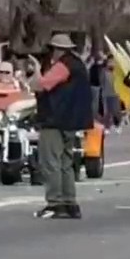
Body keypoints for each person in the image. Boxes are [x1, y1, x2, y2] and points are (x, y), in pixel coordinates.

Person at [31, 34, 93, 220]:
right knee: (66, 163)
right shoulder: (78, 64)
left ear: (57, 49)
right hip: (72, 121)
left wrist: (36, 69)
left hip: (55, 119)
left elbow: (40, 85)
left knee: (50, 162)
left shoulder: (63, 65)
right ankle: (70, 203)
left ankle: (55, 204)